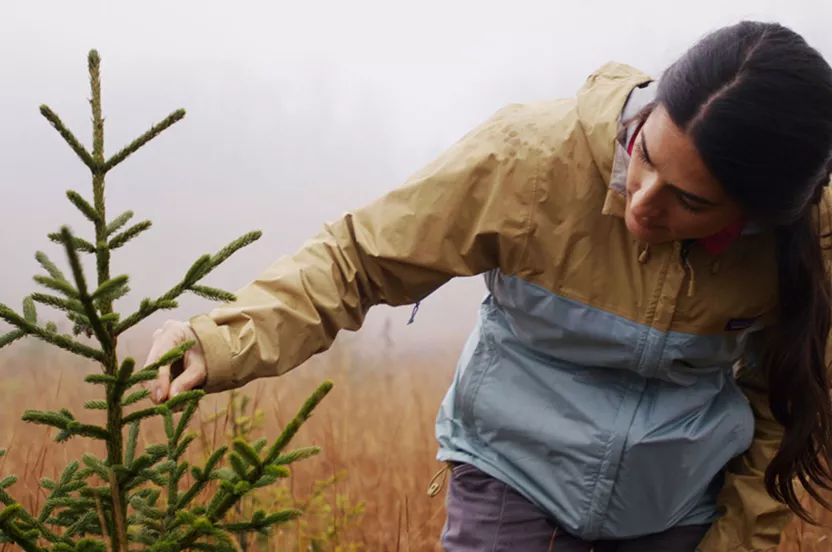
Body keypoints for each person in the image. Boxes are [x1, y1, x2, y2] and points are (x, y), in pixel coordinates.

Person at [144, 21, 832, 551]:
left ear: (760, 214)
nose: (642, 203)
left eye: (688, 201)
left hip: (680, 506)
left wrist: (734, 539)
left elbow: (783, 407)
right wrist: (220, 339)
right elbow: (359, 258)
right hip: (512, 475)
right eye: (643, 157)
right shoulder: (528, 158)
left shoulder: (806, 240)